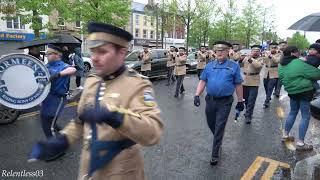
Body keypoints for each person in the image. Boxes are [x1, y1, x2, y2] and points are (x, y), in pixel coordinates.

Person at [29, 22, 164, 179]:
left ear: (121, 52)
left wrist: (115, 116)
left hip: (122, 171)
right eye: (93, 51)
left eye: (102, 52)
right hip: (89, 169)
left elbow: (153, 133)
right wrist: (63, 140)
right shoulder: (93, 80)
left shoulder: (138, 84)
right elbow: (81, 120)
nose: (94, 58)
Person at [193, 41, 244, 165]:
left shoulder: (234, 66)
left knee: (219, 126)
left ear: (227, 52)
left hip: (225, 102)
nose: (219, 53)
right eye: (217, 51)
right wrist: (197, 94)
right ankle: (218, 138)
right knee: (211, 124)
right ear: (215, 52)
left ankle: (215, 154)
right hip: (210, 100)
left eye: (222, 50)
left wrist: (240, 101)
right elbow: (203, 81)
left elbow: (238, 84)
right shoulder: (209, 65)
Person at [278, 46, 320, 151]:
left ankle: (285, 135)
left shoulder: (281, 64)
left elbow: (282, 78)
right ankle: (301, 143)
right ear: (292, 53)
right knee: (305, 116)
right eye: (297, 52)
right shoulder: (298, 63)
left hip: (292, 91)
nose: (299, 54)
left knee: (293, 112)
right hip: (304, 91)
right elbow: (316, 74)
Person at [40, 44, 76, 138]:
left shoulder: (63, 65)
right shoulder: (46, 66)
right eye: (46, 54)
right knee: (47, 120)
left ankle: (55, 149)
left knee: (48, 123)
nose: (46, 55)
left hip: (57, 98)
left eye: (49, 53)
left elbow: (73, 69)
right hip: (46, 97)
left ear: (57, 55)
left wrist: (58, 74)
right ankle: (64, 137)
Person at [242, 45, 264, 124]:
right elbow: (239, 62)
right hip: (245, 81)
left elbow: (258, 66)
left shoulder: (261, 59)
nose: (255, 52)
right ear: (251, 52)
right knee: (245, 99)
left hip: (254, 82)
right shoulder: (246, 57)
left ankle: (248, 115)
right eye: (254, 50)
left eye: (257, 51)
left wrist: (250, 59)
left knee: (251, 100)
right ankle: (248, 110)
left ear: (259, 52)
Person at [262, 42, 282, 108]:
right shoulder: (266, 53)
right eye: (272, 48)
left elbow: (276, 61)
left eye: (275, 48)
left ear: (277, 48)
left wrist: (271, 56)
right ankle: (268, 96)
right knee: (265, 86)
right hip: (266, 72)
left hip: (274, 73)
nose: (273, 49)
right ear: (269, 48)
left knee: (270, 87)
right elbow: (264, 61)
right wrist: (264, 56)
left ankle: (266, 101)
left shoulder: (279, 54)